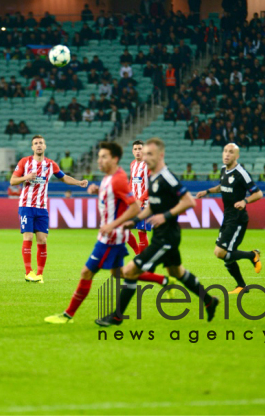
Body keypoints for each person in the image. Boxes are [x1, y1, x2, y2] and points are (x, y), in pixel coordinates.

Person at [45, 141, 180, 324]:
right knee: (121, 274)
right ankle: (164, 281)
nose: (99, 160)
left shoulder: (117, 178)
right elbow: (115, 196)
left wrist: (112, 225)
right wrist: (97, 190)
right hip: (111, 236)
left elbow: (135, 206)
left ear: (115, 159)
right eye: (99, 156)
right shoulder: (110, 177)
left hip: (110, 239)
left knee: (87, 272)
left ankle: (68, 315)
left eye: (104, 157)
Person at [93, 138, 221, 326]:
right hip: (164, 234)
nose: (145, 157)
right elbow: (152, 206)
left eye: (150, 154)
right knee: (177, 272)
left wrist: (165, 216)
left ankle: (117, 317)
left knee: (129, 271)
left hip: (166, 236)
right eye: (144, 154)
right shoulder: (152, 177)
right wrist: (134, 221)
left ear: (161, 155)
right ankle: (210, 301)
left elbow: (189, 201)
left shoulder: (167, 177)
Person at [10, 135, 88, 283]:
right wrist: (26, 177)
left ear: (45, 147)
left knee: (42, 240)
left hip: (42, 207)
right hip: (26, 205)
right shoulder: (24, 162)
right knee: (28, 237)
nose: (38, 145)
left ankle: (39, 275)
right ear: (32, 147)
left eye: (41, 143)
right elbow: (13, 180)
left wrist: (78, 183)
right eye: (36, 143)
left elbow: (64, 178)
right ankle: (28, 272)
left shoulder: (51, 164)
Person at [195, 143, 263, 294]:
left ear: (237, 156)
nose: (226, 154)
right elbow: (221, 186)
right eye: (225, 151)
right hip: (227, 217)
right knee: (226, 255)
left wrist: (244, 201)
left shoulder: (241, 173)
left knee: (220, 252)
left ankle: (253, 255)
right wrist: (207, 191)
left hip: (238, 219)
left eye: (230, 152)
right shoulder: (223, 170)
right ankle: (241, 286)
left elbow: (258, 193)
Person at [127, 140, 151, 256]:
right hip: (133, 204)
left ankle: (142, 262)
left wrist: (141, 199)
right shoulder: (132, 164)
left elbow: (153, 185)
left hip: (144, 204)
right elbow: (132, 182)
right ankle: (138, 254)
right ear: (132, 151)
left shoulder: (148, 164)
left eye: (140, 149)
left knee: (141, 231)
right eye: (135, 149)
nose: (137, 151)